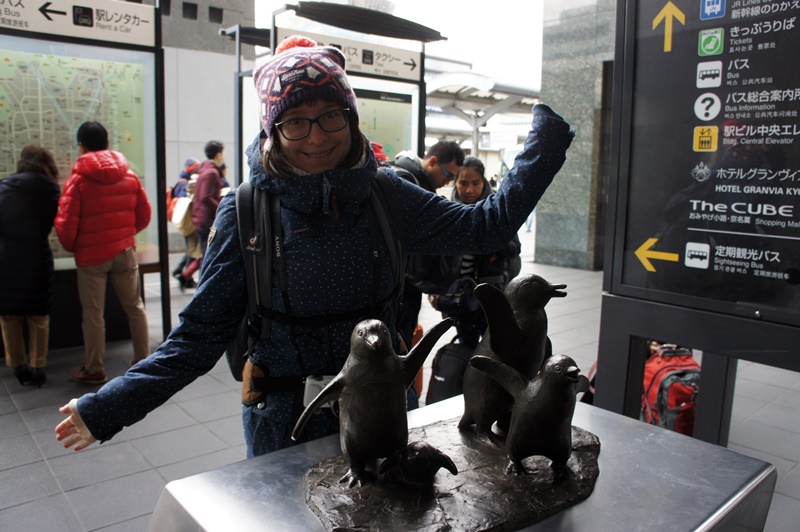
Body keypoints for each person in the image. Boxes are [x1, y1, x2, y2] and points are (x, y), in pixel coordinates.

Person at [55, 35, 573, 458]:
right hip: (284, 424)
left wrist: (545, 140)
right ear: (273, 129)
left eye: (331, 115)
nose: (317, 136)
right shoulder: (248, 210)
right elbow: (196, 340)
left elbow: (485, 228)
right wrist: (107, 408)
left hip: (383, 412)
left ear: (350, 116)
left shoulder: (386, 194)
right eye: (295, 121)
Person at [54, 121, 152, 385]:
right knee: (135, 307)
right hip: (124, 251)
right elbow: (144, 215)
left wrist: (74, 246)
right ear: (107, 143)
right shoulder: (129, 176)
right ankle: (144, 359)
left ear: (81, 146)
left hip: (92, 258)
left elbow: (66, 225)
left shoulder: (77, 182)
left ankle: (94, 368)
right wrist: (125, 234)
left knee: (93, 314)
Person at [428, 156, 521, 348]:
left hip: (491, 294)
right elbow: (435, 256)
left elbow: (514, 249)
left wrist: (491, 236)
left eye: (475, 183)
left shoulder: (497, 209)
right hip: (459, 296)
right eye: (463, 183)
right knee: (466, 345)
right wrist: (434, 291)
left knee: (493, 345)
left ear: (484, 181)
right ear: (456, 182)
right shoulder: (447, 209)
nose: (469, 190)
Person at [389, 140, 466, 346]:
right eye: (447, 175)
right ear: (432, 162)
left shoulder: (417, 182)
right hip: (399, 286)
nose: (447, 182)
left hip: (404, 282)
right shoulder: (407, 182)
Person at [0, 145, 61, 387]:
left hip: (8, 256)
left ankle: (18, 366)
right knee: (39, 316)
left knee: (10, 316)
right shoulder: (51, 189)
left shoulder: (5, 187)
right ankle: (38, 366)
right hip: (38, 254)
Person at [170, 157, 201, 289]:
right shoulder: (185, 184)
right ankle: (186, 279)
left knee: (191, 249)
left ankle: (179, 270)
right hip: (189, 222)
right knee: (193, 251)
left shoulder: (181, 182)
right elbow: (188, 201)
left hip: (186, 222)